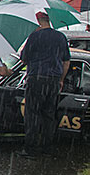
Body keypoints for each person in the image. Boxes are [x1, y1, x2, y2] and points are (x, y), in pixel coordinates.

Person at [18, 11, 70, 159]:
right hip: (53, 80)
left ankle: (31, 149)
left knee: (32, 113)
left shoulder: (34, 36)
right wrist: (61, 79)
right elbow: (66, 62)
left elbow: (23, 59)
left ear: (38, 21)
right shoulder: (60, 37)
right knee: (49, 115)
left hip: (36, 78)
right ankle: (47, 149)